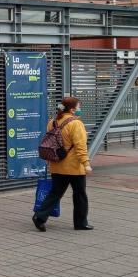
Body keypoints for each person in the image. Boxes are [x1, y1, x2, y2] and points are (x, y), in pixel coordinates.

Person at [32, 96, 94, 232]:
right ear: (72, 110)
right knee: (80, 195)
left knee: (55, 193)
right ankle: (80, 223)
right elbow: (80, 146)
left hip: (56, 165)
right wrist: (86, 164)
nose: (79, 110)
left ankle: (40, 217)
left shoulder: (53, 122)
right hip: (73, 168)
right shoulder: (76, 123)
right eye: (78, 107)